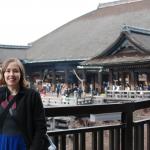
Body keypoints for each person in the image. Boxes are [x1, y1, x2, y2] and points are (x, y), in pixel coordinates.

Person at [0, 58, 47, 150]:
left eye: (15, 71)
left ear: (21, 74)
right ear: (3, 74)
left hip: (23, 143)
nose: (11, 74)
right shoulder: (0, 93)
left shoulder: (32, 95)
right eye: (8, 71)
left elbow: (40, 126)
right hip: (3, 142)